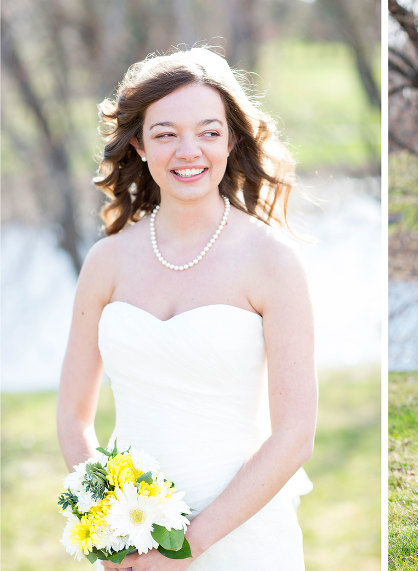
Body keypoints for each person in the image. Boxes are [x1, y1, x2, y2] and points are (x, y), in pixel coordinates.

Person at [57, 47, 317, 569]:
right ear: (139, 144)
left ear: (231, 140)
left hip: (242, 536)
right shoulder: (106, 261)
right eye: (166, 134)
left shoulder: (273, 262)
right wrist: (108, 526)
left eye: (208, 132)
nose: (188, 151)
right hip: (131, 546)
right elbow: (73, 416)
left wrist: (184, 549)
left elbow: (294, 436)